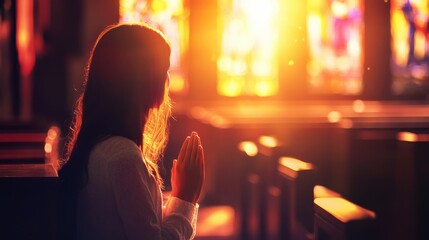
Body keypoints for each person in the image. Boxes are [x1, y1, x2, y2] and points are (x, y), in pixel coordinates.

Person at [59, 23, 205, 240]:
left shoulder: (100, 147)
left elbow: (141, 224)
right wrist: (185, 197)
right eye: (164, 69)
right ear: (144, 79)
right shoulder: (124, 158)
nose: (167, 80)